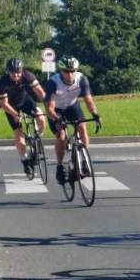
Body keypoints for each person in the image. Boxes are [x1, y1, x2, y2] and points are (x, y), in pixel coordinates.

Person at [43, 56, 100, 184]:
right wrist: (57, 120)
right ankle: (59, 165)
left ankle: (83, 159)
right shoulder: (53, 82)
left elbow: (88, 100)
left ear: (76, 70)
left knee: (82, 127)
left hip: (72, 105)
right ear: (61, 71)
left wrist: (95, 114)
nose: (70, 74)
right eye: (66, 71)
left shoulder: (81, 79)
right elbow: (49, 108)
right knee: (62, 136)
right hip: (55, 110)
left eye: (72, 71)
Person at [0, 58, 46, 175]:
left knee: (41, 118)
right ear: (8, 72)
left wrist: (48, 105)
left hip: (25, 100)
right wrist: (15, 115)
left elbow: (40, 92)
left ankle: (38, 138)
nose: (16, 75)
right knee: (18, 133)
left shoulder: (27, 75)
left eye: (18, 72)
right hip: (11, 106)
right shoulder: (2, 83)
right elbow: (4, 104)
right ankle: (25, 161)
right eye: (13, 72)